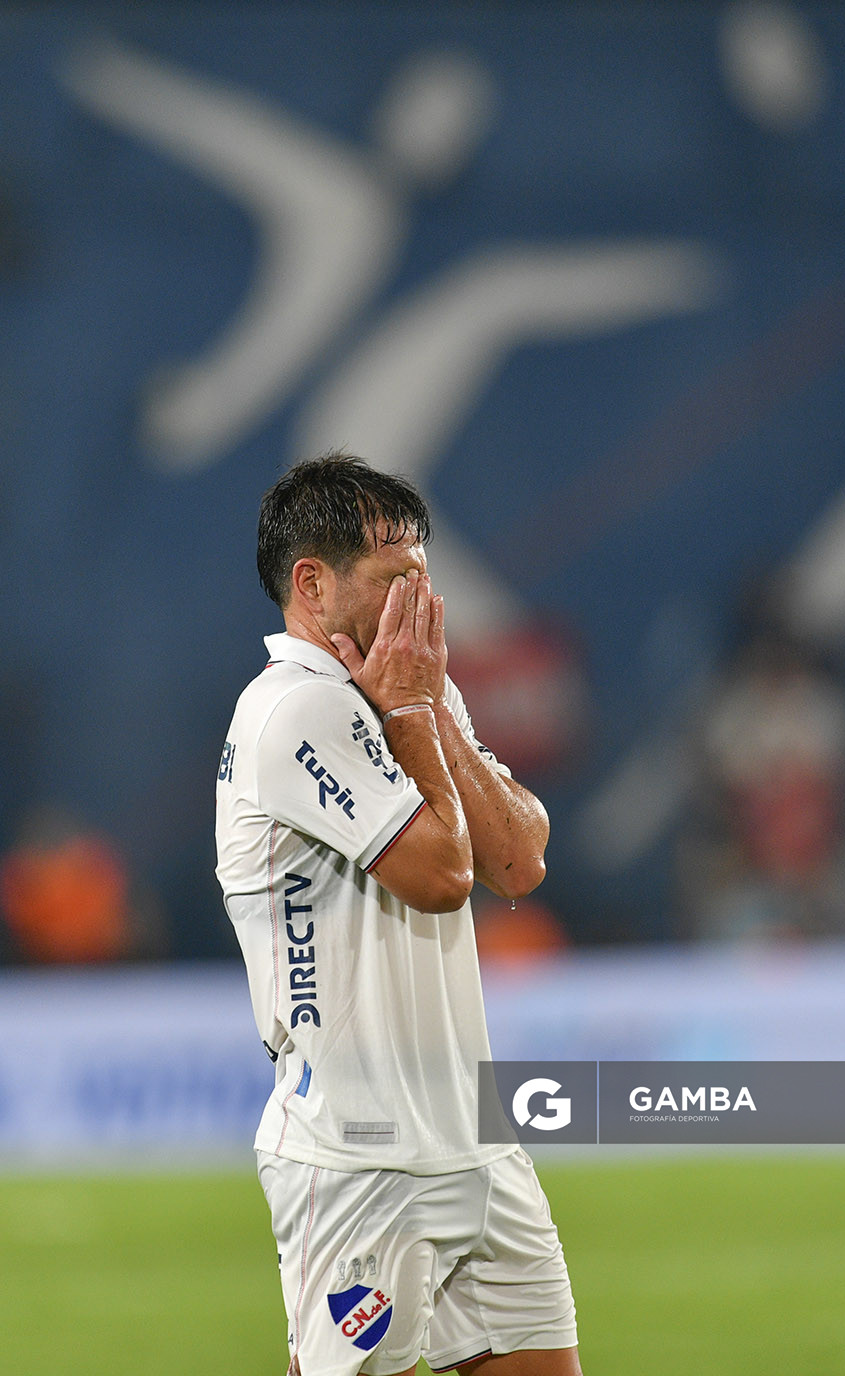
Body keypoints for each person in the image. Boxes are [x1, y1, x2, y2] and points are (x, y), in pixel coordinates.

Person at [215, 453, 580, 1376]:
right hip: (359, 1151)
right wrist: (415, 713)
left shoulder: (408, 690)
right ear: (311, 582)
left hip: (474, 1139)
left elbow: (519, 859)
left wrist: (433, 712)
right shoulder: (292, 709)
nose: (422, 604)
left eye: (425, 576)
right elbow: (442, 877)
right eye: (395, 580)